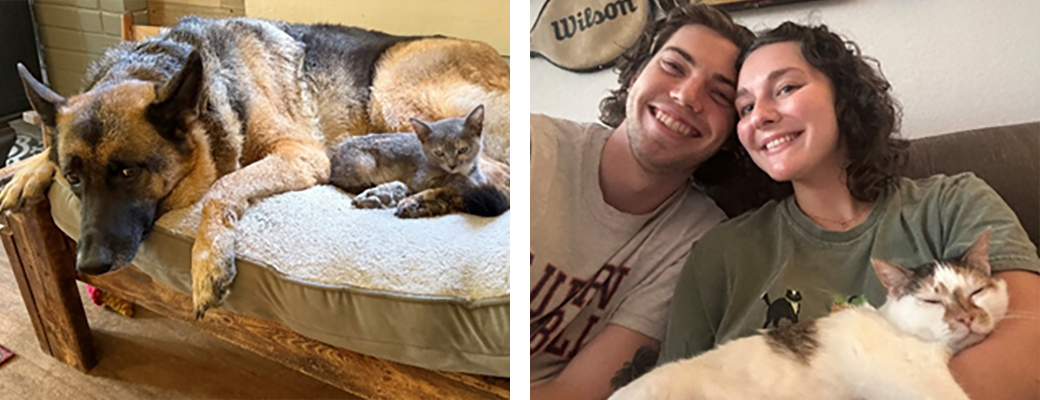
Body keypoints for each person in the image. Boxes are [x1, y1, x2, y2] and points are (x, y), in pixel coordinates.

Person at [660, 22, 1040, 399]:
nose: (759, 116)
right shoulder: (718, 254)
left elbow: (1028, 349)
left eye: (786, 88)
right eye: (744, 107)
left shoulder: (953, 203)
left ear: (845, 97)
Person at [530, 4, 754, 399]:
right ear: (634, 77)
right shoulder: (533, 146)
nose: (687, 95)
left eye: (719, 93)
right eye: (673, 66)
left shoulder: (699, 240)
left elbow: (576, 392)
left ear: (731, 134)